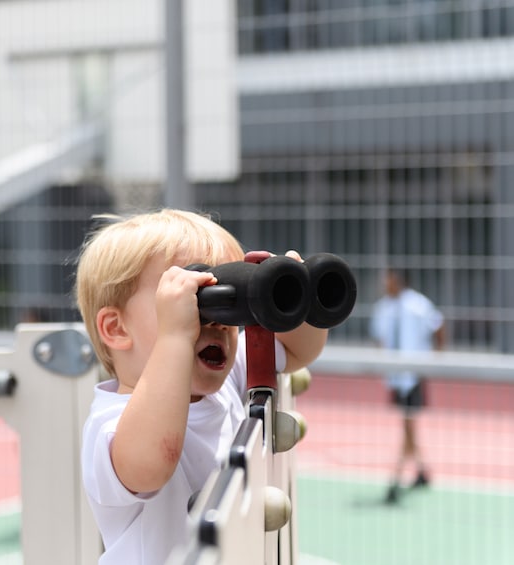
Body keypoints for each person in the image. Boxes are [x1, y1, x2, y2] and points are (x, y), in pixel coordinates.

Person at [75, 209, 328, 564]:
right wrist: (176, 335)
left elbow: (298, 349)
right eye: (196, 300)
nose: (219, 322)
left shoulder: (221, 386)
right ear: (117, 329)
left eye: (230, 299)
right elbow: (152, 464)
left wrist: (289, 296)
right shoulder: (110, 425)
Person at [370, 269, 445, 504]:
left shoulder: (418, 304)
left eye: (389, 279)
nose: (385, 283)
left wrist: (434, 358)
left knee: (408, 424)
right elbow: (380, 337)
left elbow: (438, 327)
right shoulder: (383, 308)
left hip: (413, 375)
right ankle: (422, 471)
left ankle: (395, 479)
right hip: (396, 377)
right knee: (408, 425)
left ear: (399, 281)